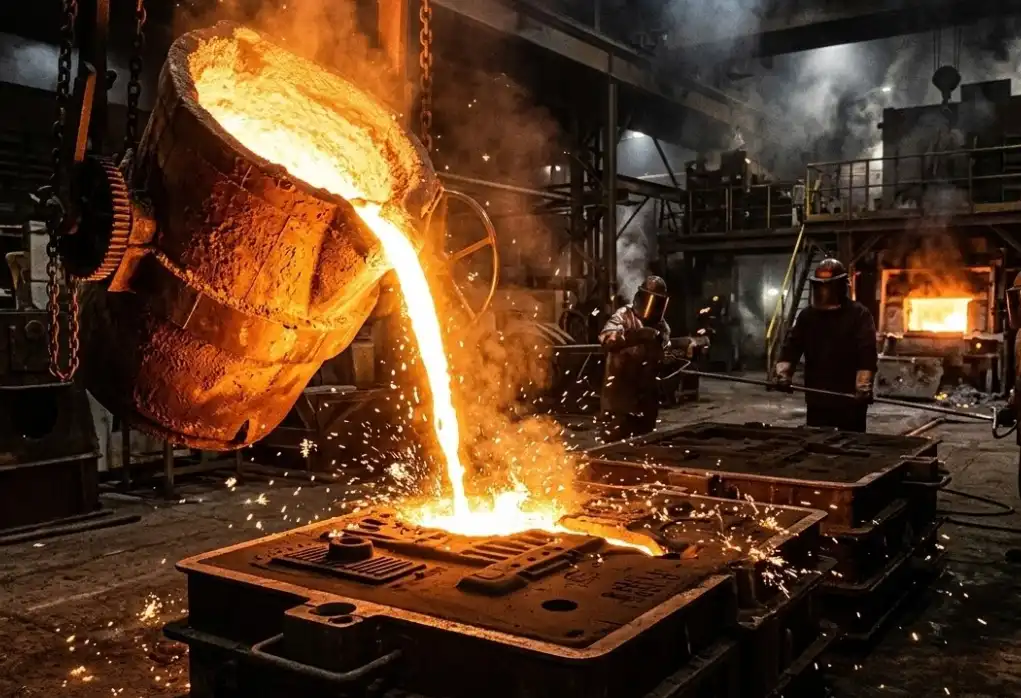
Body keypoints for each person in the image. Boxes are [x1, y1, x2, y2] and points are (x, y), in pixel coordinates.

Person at [770, 258, 878, 432]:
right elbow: (791, 347)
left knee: (850, 443)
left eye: (828, 287)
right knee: (817, 443)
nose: (824, 292)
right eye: (821, 287)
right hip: (817, 396)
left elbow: (866, 353)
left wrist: (863, 386)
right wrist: (783, 374)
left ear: (840, 286)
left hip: (848, 399)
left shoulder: (858, 315)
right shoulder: (808, 316)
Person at [598, 275, 671, 442]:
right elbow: (606, 339)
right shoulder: (624, 315)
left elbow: (663, 356)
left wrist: (667, 359)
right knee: (612, 447)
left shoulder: (662, 327)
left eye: (658, 302)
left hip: (646, 401)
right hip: (619, 396)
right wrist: (635, 336)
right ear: (642, 297)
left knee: (643, 448)